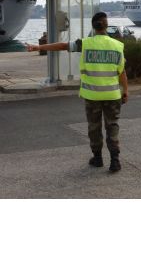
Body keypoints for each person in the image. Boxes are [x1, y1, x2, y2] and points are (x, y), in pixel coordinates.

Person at [26, 12, 128, 172]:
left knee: (94, 127)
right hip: (112, 95)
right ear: (106, 26)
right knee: (112, 126)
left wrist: (39, 47)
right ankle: (115, 161)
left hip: (92, 96)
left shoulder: (85, 43)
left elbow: (62, 45)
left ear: (93, 27)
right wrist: (126, 90)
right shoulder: (117, 46)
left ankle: (98, 158)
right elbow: (122, 72)